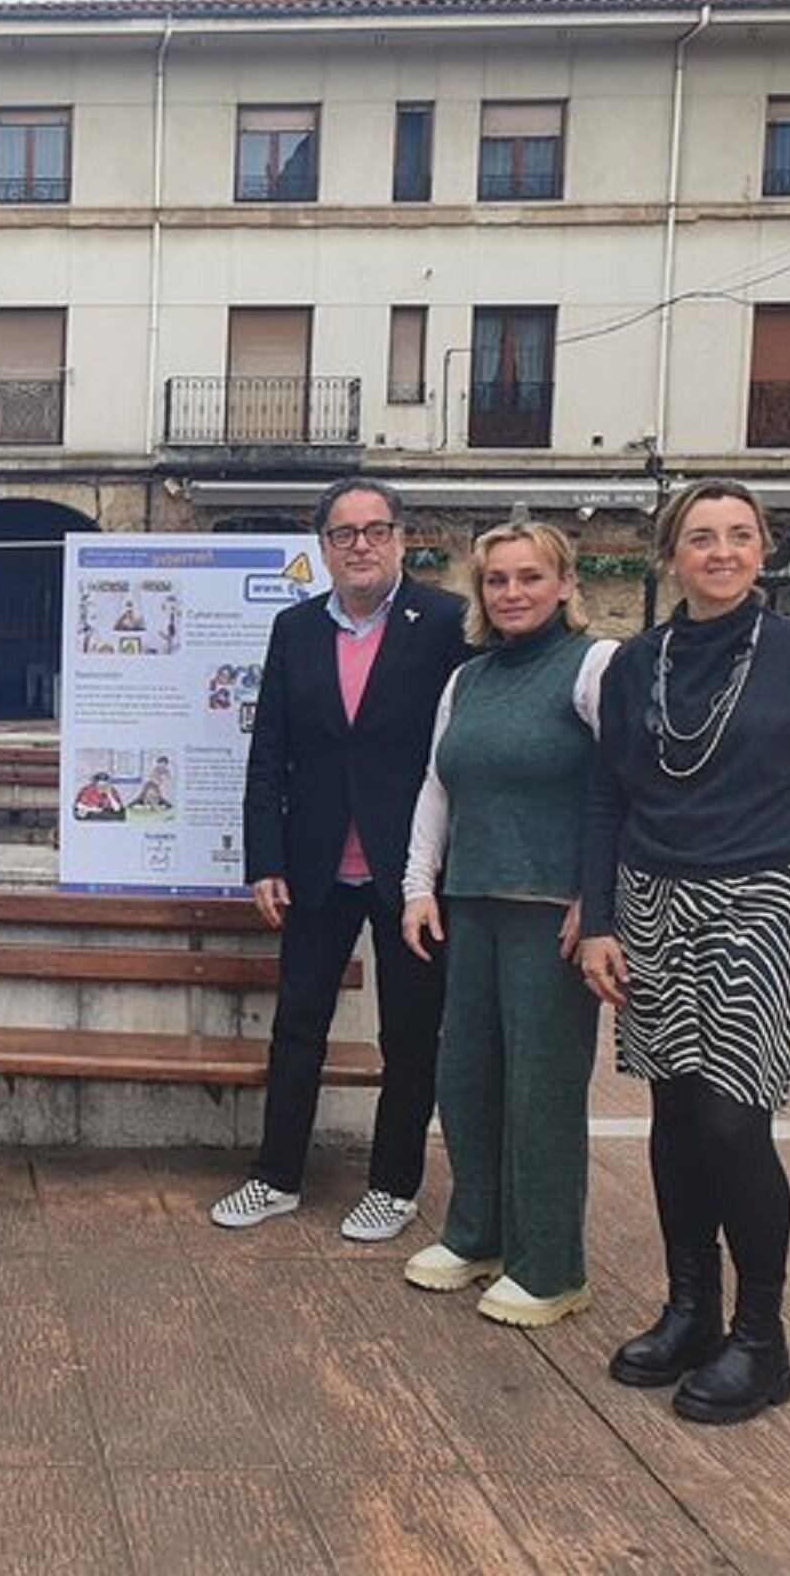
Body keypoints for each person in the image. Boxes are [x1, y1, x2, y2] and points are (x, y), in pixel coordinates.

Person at [578, 479, 790, 1424]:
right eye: (701, 537)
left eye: (740, 536)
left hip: (768, 896)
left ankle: (761, 1337)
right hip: (655, 894)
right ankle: (691, 1309)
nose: (721, 551)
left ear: (763, 550)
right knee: (673, 1111)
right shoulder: (637, 665)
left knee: (735, 1120)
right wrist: (600, 921)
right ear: (671, 556)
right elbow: (608, 797)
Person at [211, 477, 469, 1239]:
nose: (361, 545)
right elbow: (270, 753)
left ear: (400, 537)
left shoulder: (448, 622)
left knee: (411, 1035)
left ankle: (393, 1185)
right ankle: (276, 1175)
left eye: (375, 530)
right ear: (321, 547)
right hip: (316, 864)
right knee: (297, 1025)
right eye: (344, 533)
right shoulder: (295, 629)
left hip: (414, 871)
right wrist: (265, 857)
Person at [399, 522, 618, 1326]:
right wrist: (418, 885)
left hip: (551, 916)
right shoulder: (472, 678)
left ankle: (552, 1266)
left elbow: (624, 787)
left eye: (530, 577)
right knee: (467, 1079)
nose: (513, 593)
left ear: (565, 584)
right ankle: (478, 1232)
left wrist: (600, 899)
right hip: (473, 904)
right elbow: (438, 784)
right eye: (497, 580)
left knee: (542, 1090)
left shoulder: (596, 665)